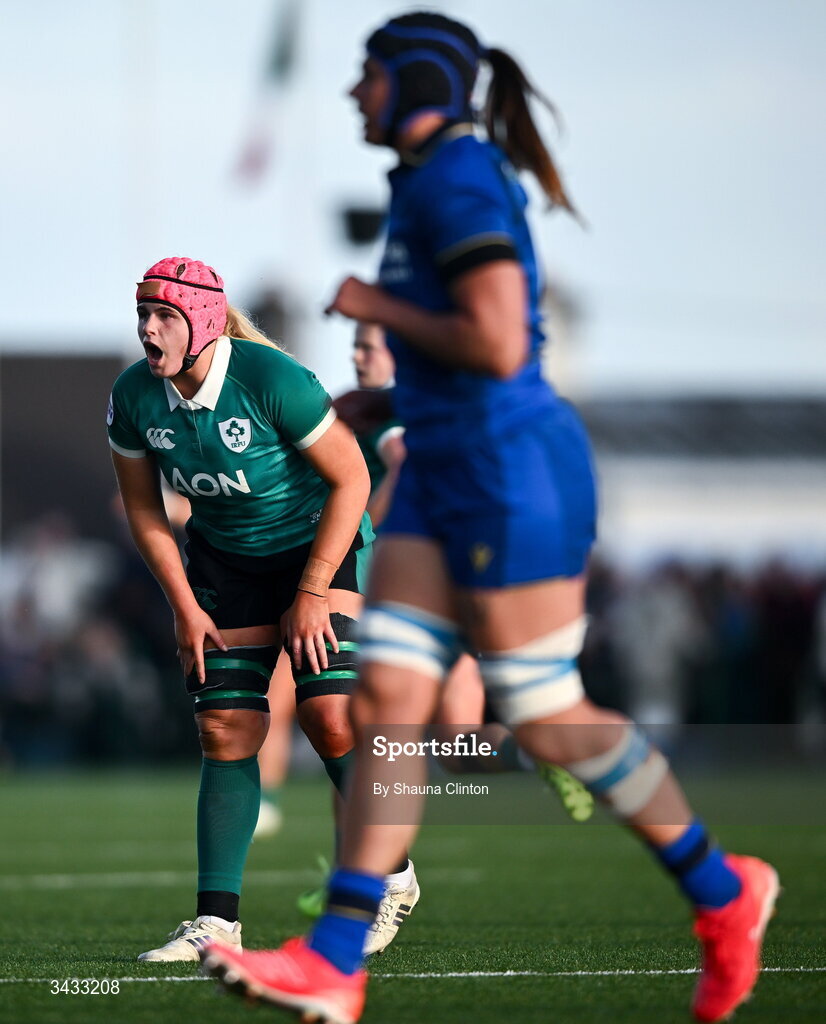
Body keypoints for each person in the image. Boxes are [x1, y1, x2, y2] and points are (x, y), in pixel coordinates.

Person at [202, 13, 779, 1023]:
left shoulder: (456, 178)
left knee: (546, 716)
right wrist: (384, 399)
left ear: (412, 81)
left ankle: (725, 894)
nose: (352, 95)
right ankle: (339, 956)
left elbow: (500, 340)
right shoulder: (423, 176)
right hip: (439, 463)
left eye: (365, 77)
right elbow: (462, 343)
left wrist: (372, 312)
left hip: (510, 474)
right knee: (387, 702)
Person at [108, 256, 416, 962]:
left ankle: (391, 876)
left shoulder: (271, 380)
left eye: (164, 317)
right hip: (226, 561)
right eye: (142, 317)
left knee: (328, 713)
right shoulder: (133, 395)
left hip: (319, 544)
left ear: (205, 321)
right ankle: (216, 924)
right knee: (225, 726)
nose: (149, 331)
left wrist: (309, 595)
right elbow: (142, 507)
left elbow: (352, 478)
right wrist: (184, 607)